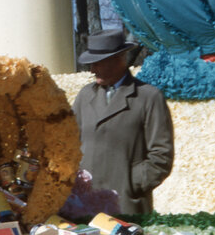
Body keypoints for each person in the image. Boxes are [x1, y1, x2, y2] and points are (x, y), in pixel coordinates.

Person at [72, 28, 175, 214]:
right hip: (84, 207)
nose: (92, 69)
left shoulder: (149, 97)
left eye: (98, 63)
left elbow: (161, 155)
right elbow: (68, 145)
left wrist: (132, 183)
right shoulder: (85, 96)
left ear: (119, 59)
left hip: (126, 206)